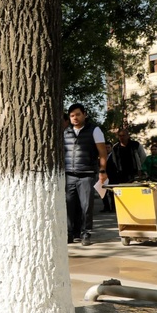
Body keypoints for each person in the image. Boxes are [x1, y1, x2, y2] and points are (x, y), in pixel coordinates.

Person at [63, 103, 107, 246]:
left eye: (77, 114)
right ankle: (70, 233)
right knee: (69, 205)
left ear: (84, 114)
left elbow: (102, 153)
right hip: (69, 174)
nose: (75, 118)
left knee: (86, 206)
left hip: (87, 174)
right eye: (72, 115)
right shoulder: (66, 132)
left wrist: (102, 171)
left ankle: (85, 233)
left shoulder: (95, 130)